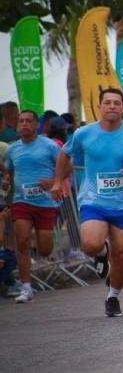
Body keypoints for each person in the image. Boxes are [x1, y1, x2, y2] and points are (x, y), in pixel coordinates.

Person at [52, 89, 123, 317]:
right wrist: (58, 181)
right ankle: (101, 251)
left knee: (121, 253)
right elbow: (65, 154)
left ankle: (113, 297)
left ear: (122, 108)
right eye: (107, 103)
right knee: (90, 245)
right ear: (100, 106)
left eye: (117, 103)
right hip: (93, 200)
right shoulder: (84, 134)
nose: (112, 107)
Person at [4, 110, 61, 303]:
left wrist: (54, 181)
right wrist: (6, 181)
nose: (24, 124)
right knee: (22, 241)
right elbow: (9, 172)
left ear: (36, 125)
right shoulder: (13, 150)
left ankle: (43, 241)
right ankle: (26, 288)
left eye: (28, 121)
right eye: (21, 121)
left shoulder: (49, 145)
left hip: (46, 202)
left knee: (45, 249)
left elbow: (66, 166)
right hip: (22, 202)